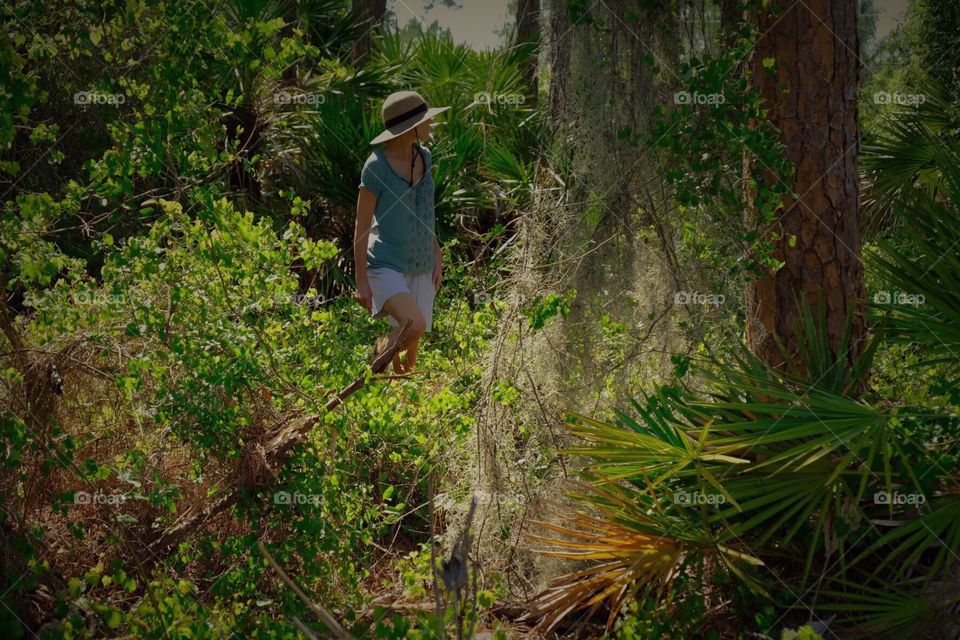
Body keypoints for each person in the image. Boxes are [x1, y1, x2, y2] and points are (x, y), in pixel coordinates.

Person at [354, 91, 449, 374]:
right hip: (386, 264)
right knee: (414, 326)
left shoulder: (426, 158)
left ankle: (399, 402)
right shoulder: (375, 168)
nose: (431, 125)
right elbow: (361, 226)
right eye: (426, 120)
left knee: (408, 358)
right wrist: (361, 281)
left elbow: (424, 210)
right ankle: (377, 354)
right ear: (410, 127)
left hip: (421, 263)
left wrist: (435, 250)